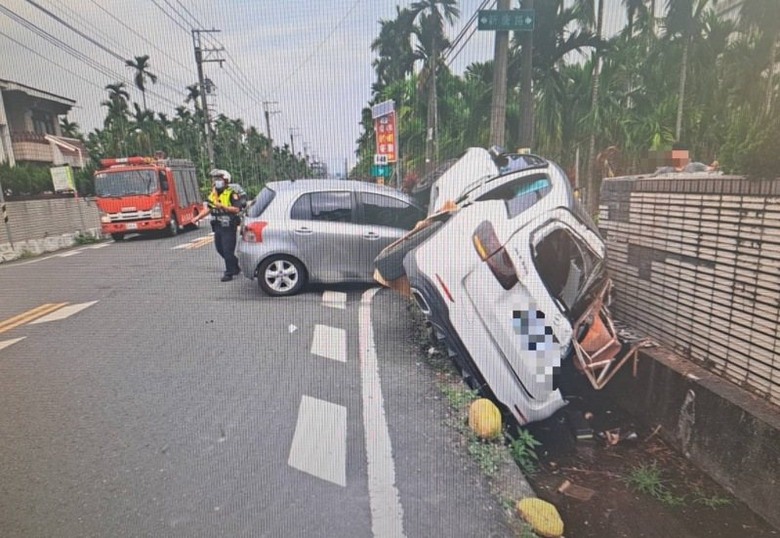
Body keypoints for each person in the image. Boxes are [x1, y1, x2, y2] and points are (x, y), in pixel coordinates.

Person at [192, 169, 243, 281]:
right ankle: (235, 266)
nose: (216, 181)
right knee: (219, 248)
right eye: (215, 179)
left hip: (229, 225)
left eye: (219, 179)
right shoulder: (213, 194)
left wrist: (223, 207)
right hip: (217, 226)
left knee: (227, 250)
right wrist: (197, 218)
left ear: (225, 180)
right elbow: (209, 209)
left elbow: (236, 209)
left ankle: (229, 273)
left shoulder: (231, 193)